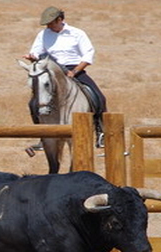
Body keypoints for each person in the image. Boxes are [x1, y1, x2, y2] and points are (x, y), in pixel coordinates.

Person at [23, 6, 107, 148]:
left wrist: (74, 71)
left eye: (51, 23)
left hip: (74, 69)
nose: (48, 26)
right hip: (51, 71)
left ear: (60, 19)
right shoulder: (43, 34)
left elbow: (88, 54)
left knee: (98, 97)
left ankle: (100, 132)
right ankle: (42, 135)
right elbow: (37, 51)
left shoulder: (77, 33)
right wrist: (32, 56)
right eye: (47, 24)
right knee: (33, 102)